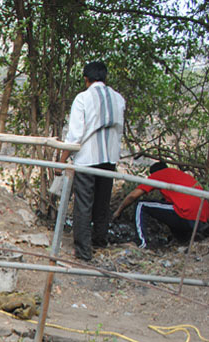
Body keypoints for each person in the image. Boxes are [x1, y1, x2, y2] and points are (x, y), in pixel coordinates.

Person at [55, 61, 125, 262]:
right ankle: (100, 241)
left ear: (86, 79)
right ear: (105, 78)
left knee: (83, 204)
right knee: (102, 202)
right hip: (109, 158)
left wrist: (62, 160)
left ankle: (84, 252)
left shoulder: (83, 99)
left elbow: (75, 135)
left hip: (87, 158)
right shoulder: (118, 98)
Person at [113, 162, 209, 247]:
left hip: (186, 213)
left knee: (141, 204)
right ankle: (183, 240)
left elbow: (133, 196)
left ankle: (140, 242)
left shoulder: (158, 175)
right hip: (201, 219)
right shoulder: (181, 175)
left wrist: (118, 211)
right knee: (167, 204)